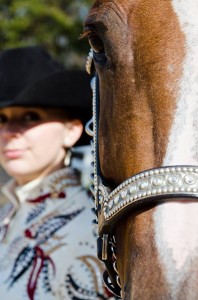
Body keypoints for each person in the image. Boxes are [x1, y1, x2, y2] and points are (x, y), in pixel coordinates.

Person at [0, 46, 113, 300]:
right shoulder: (7, 215)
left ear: (71, 131)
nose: (9, 132)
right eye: (2, 119)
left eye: (30, 116)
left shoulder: (91, 233)